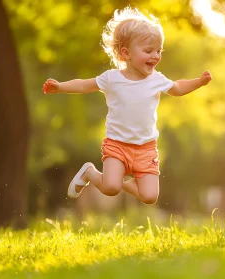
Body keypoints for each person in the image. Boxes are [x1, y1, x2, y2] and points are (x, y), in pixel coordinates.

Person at [43, 7, 212, 204]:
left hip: (146, 148)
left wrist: (198, 82)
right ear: (126, 53)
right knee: (111, 187)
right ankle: (90, 173)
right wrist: (59, 87)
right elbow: (84, 84)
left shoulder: (156, 79)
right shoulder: (112, 79)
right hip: (117, 145)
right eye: (148, 51)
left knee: (149, 197)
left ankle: (122, 181)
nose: (155, 56)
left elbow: (177, 88)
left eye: (158, 50)